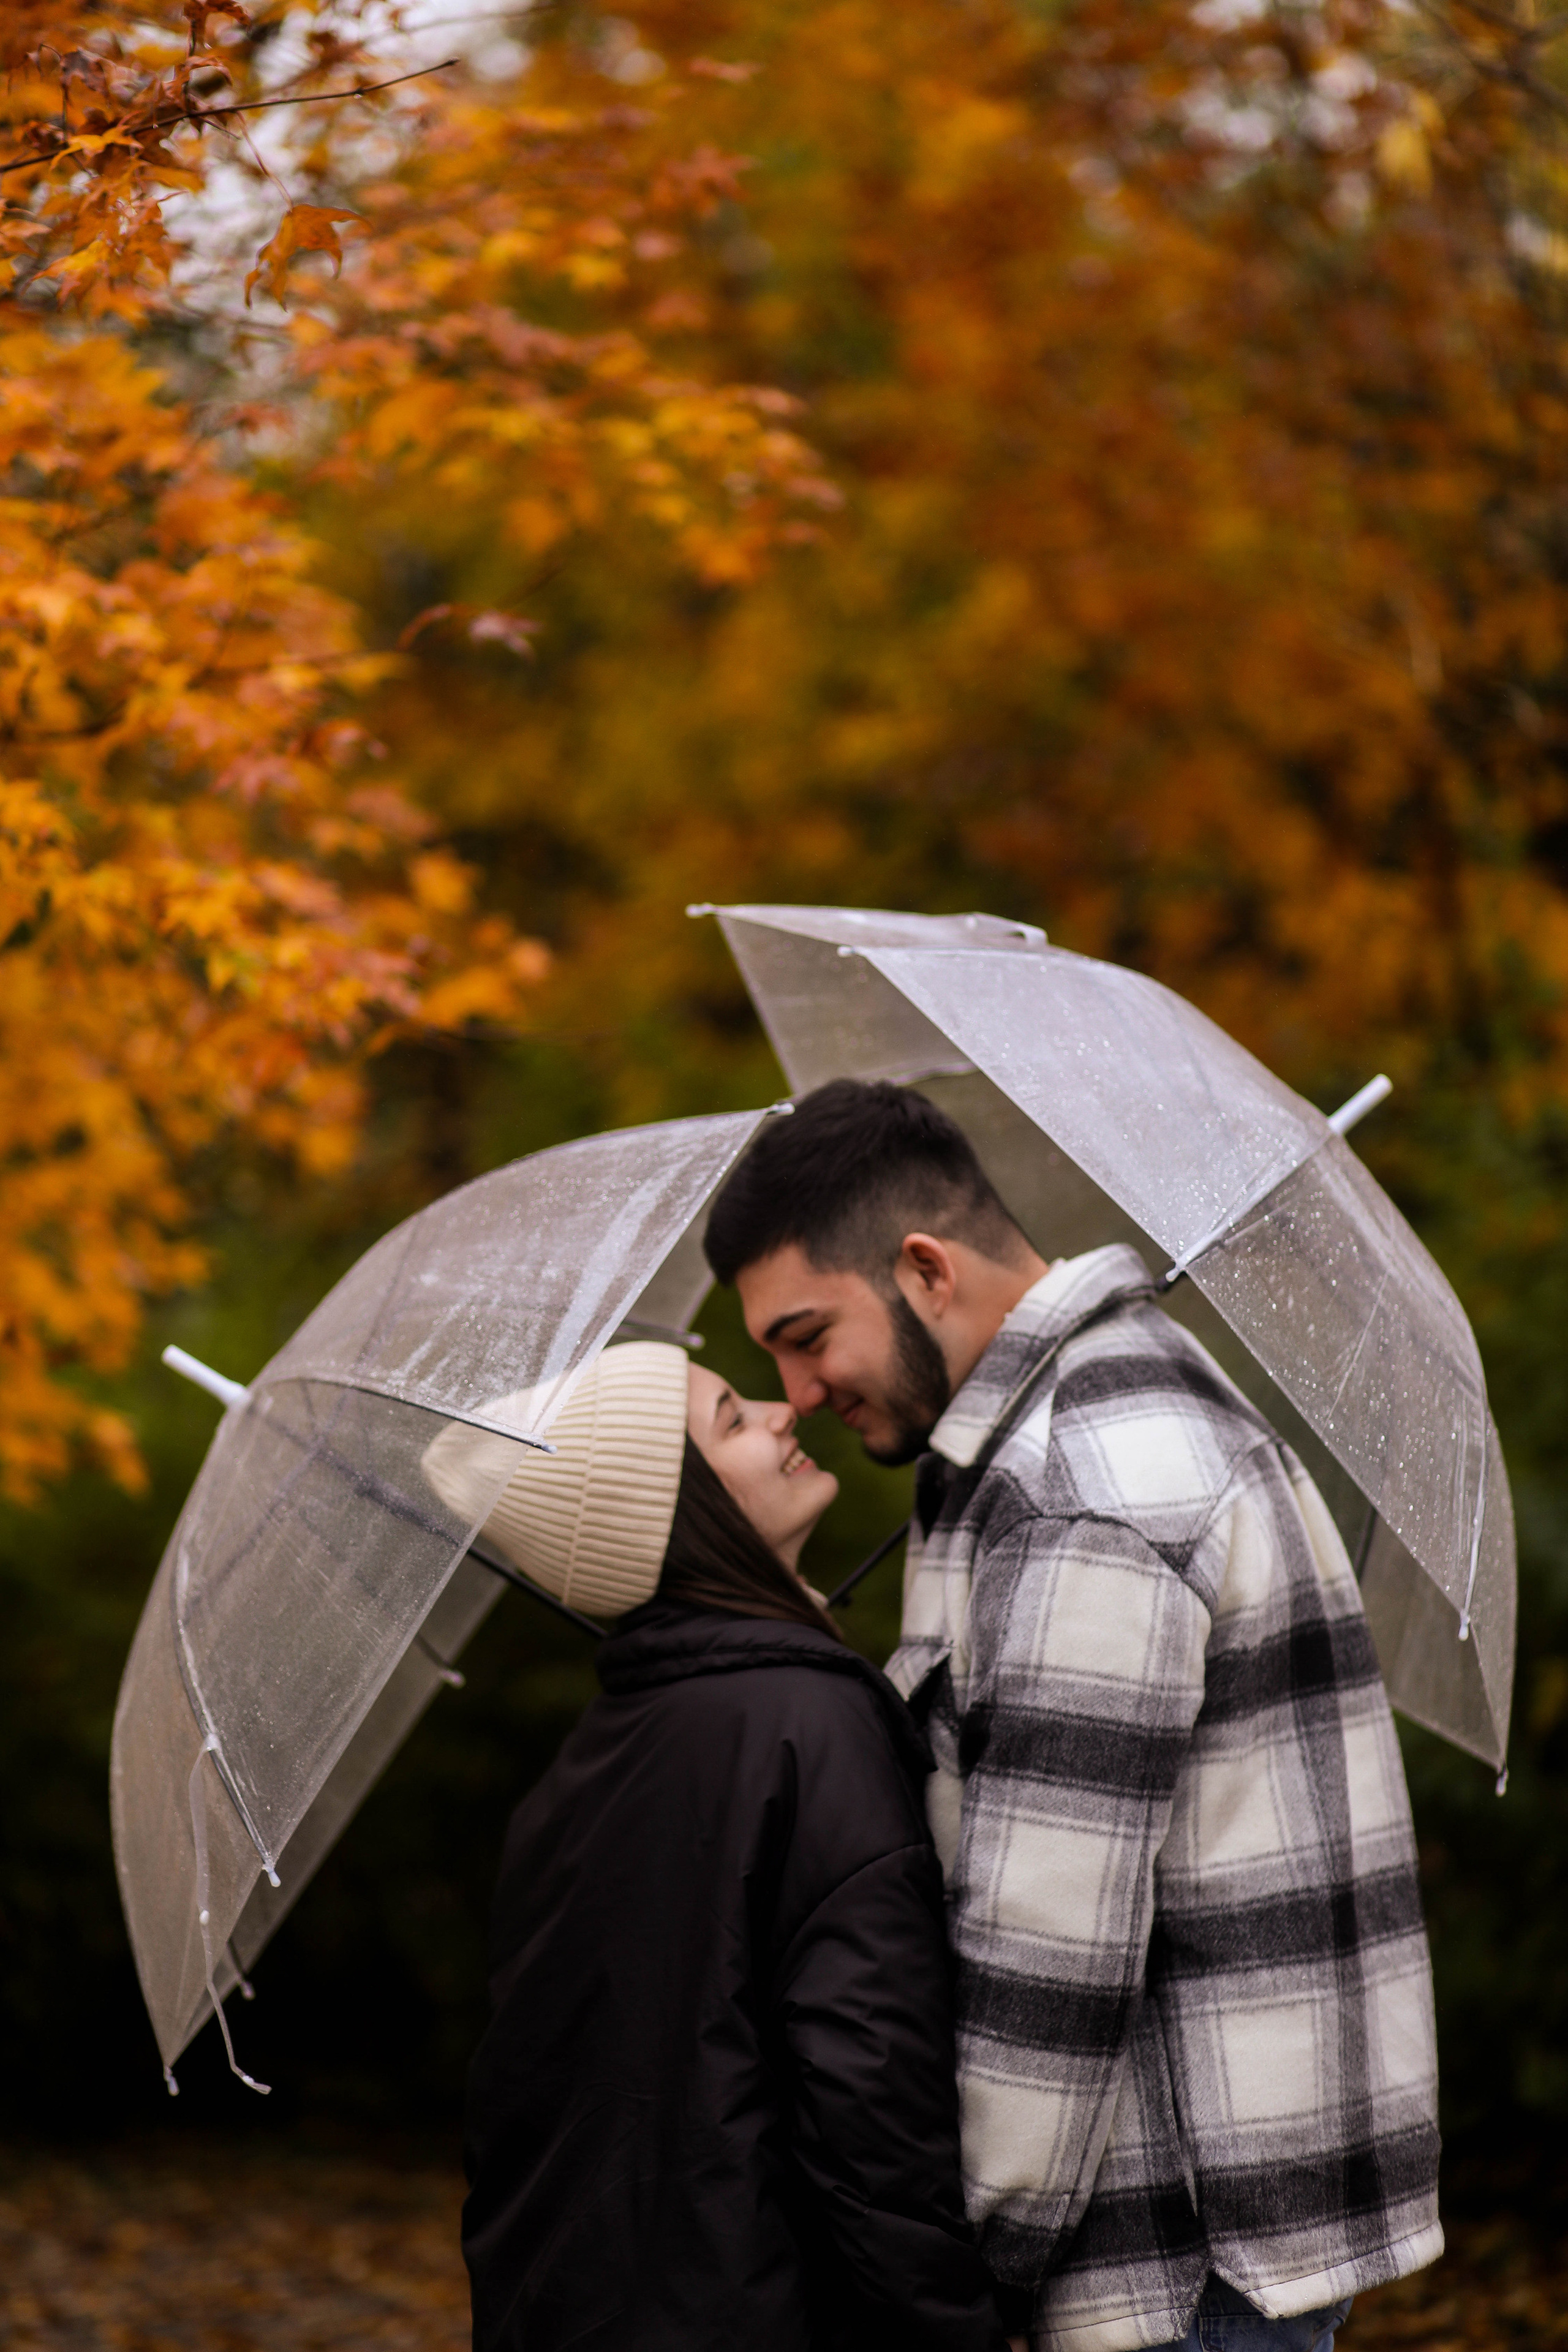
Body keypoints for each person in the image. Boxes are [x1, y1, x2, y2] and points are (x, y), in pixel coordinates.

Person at [703, 1081, 1443, 2352]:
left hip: (1160, 2270)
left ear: (924, 1269)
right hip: (1193, 2249)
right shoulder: (1051, 1440)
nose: (797, 1391)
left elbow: (1050, 1960)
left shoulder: (1079, 1492)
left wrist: (955, 2283)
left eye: (806, 1335)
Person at [421, 1339, 1007, 2352]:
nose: (785, 1412)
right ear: (678, 1513)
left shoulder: (585, 1766)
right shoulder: (805, 1721)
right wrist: (954, 2330)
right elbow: (870, 2089)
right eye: (734, 1420)